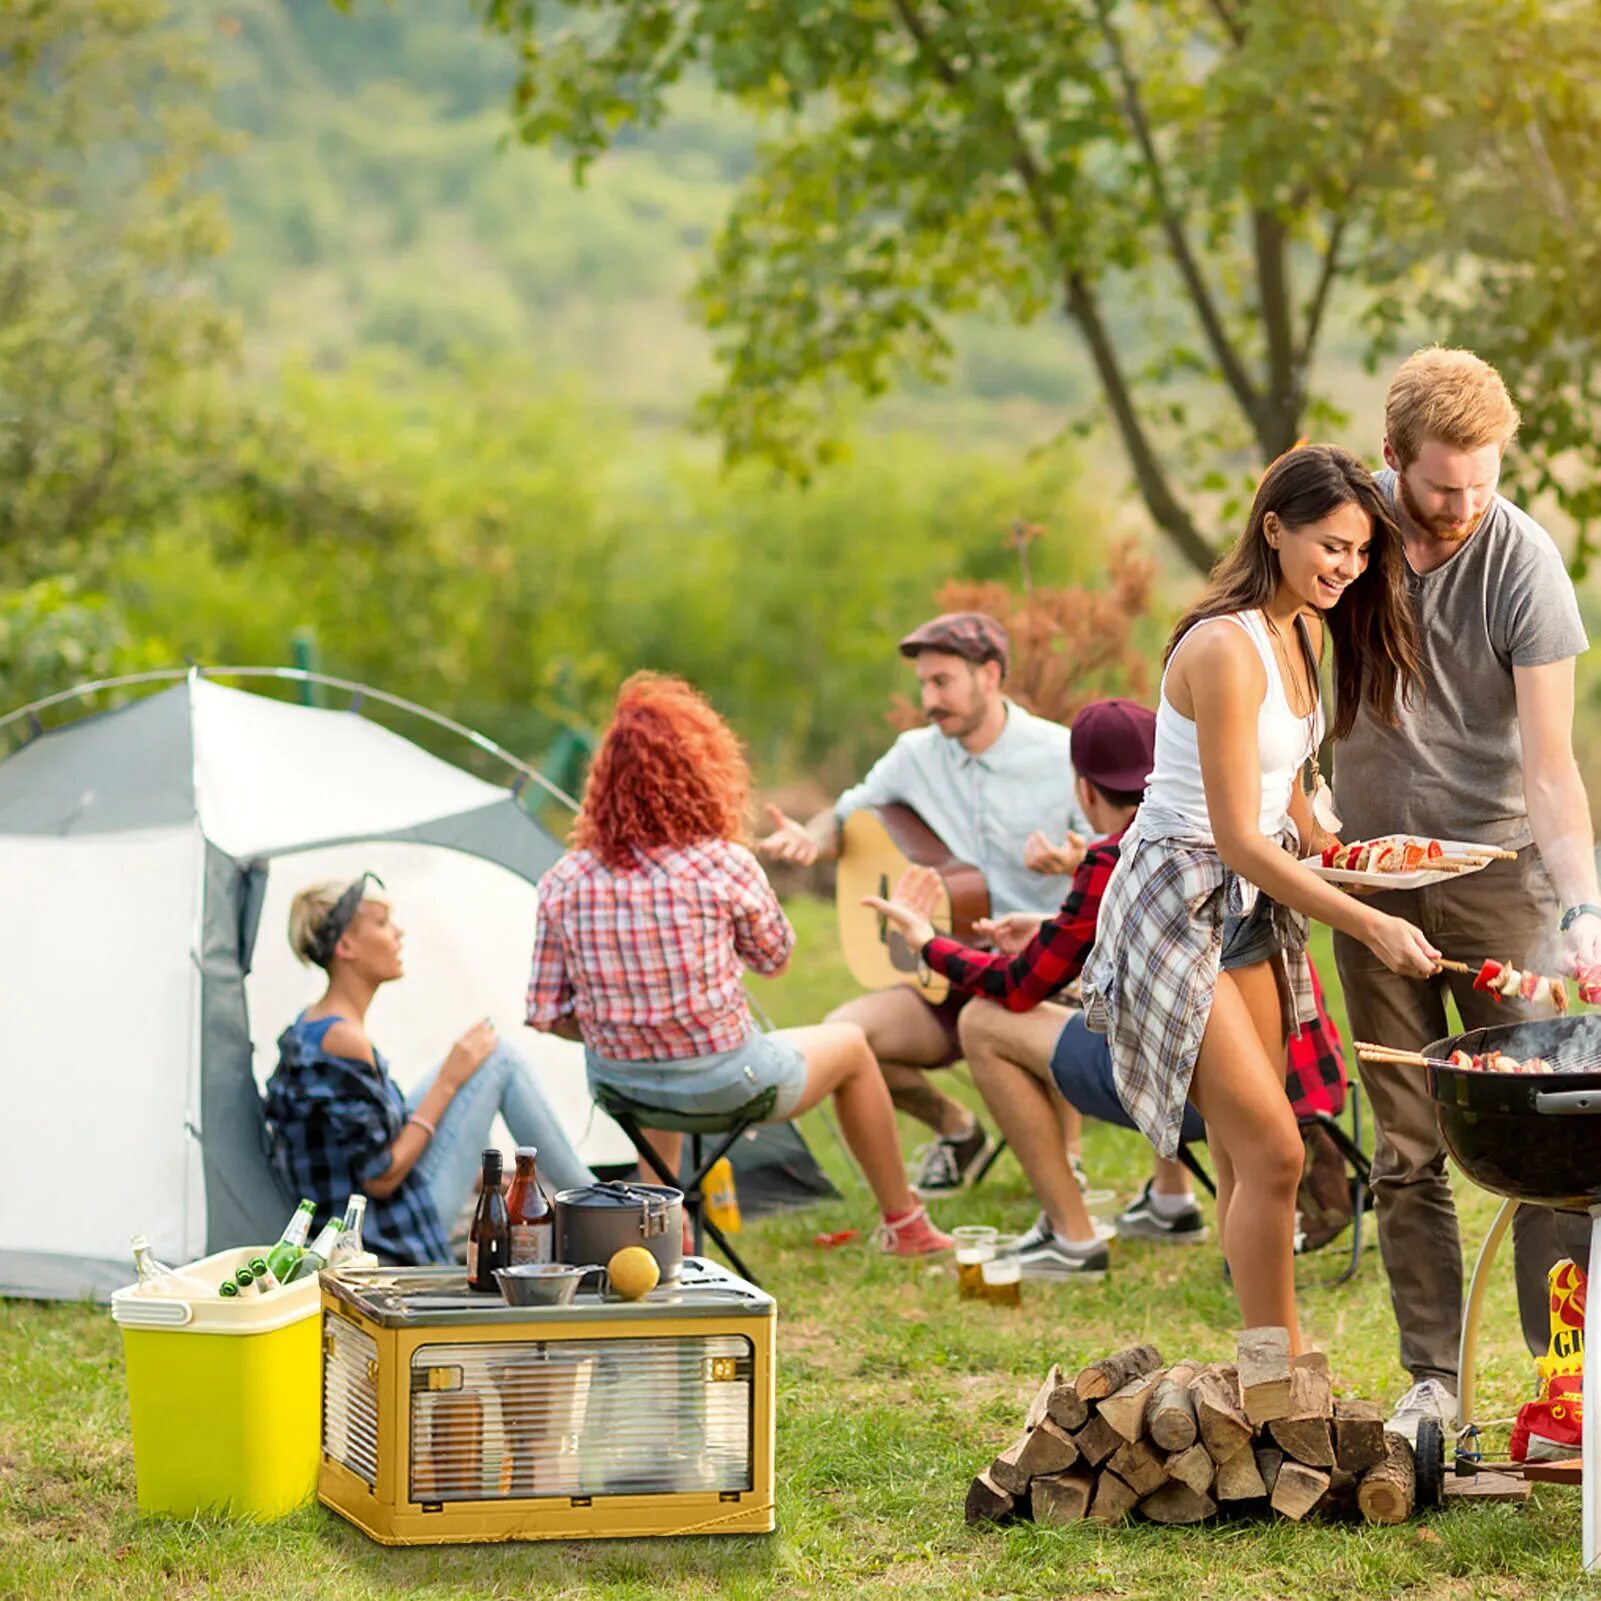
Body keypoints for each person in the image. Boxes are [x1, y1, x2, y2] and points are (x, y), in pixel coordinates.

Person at [1080, 444, 1437, 1354]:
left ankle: (1263, 1360)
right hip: (1176, 902)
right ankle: (1278, 1369)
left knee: (1255, 1154)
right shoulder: (1222, 647)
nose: (1346, 569)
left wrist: (1344, 855)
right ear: (1272, 528)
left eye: (1360, 553)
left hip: (1249, 905)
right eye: (1331, 546)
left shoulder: (1303, 631)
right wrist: (1364, 919)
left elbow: (1278, 789)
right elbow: (1235, 833)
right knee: (1277, 1151)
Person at [1331, 347, 1601, 1440]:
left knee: (1551, 1136)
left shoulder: (1522, 559)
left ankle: (1566, 1376)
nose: (1462, 506)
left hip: (1497, 874)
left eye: (1481, 481)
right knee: (1404, 1146)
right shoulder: (1342, 546)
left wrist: (1581, 910)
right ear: (1391, 459)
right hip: (1366, 881)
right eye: (1441, 486)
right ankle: (1431, 1382)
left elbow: (1548, 765)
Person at [525, 672, 951, 1255]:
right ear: (702, 772)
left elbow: (547, 1014)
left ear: (604, 783)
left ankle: (668, 1231)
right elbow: (775, 958)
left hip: (620, 1086)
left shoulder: (564, 879)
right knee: (851, 1045)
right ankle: (906, 1225)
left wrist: (624, 1022)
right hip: (730, 1083)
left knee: (657, 1049)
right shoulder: (724, 864)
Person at [863, 697, 1207, 1280]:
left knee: (984, 1022)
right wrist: (1049, 932)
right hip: (1264, 1082)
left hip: (1181, 1094)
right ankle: (1170, 1202)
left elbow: (1018, 988)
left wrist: (927, 943)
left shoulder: (1110, 858)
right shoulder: (1209, 832)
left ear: (1085, 792)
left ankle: (1072, 1238)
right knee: (1160, 992)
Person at [758, 611, 1093, 1196]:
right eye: (924, 684)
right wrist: (811, 839)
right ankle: (956, 1129)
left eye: (943, 683)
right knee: (845, 1038)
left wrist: (1073, 859)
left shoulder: (1059, 753)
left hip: (1039, 967)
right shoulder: (914, 754)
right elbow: (845, 816)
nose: (929, 699)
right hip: (946, 963)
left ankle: (1065, 1166)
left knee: (1016, 1024)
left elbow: (1111, 851)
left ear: (990, 676)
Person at [263, 874, 595, 1266]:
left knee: (481, 1057)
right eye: (383, 923)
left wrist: (473, 1172)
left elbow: (364, 1142)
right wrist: (449, 1081)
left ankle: (593, 1201)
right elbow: (380, 1178)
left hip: (370, 1210)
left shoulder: (316, 1024)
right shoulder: (343, 1039)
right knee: (497, 1059)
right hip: (379, 1231)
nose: (399, 933)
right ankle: (598, 1207)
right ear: (346, 946)